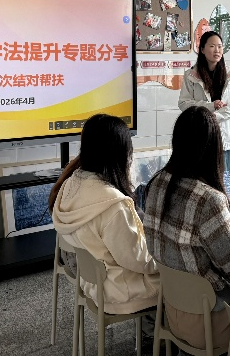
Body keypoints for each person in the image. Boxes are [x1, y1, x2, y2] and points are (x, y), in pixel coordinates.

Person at [143, 106, 230, 350]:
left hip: (171, 312)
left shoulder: (157, 183)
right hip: (210, 322)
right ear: (214, 148)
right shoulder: (208, 200)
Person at [49, 114, 159, 317]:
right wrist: (167, 259)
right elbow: (139, 260)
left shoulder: (71, 182)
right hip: (120, 292)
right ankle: (157, 331)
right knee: (181, 279)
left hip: (92, 282)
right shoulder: (113, 205)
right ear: (119, 154)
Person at [179, 31, 230, 171]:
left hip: (224, 136)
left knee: (225, 177)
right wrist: (210, 106)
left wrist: (217, 115)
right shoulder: (191, 75)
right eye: (212, 46)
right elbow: (184, 103)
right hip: (200, 134)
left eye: (220, 46)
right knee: (200, 177)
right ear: (202, 49)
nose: (217, 50)